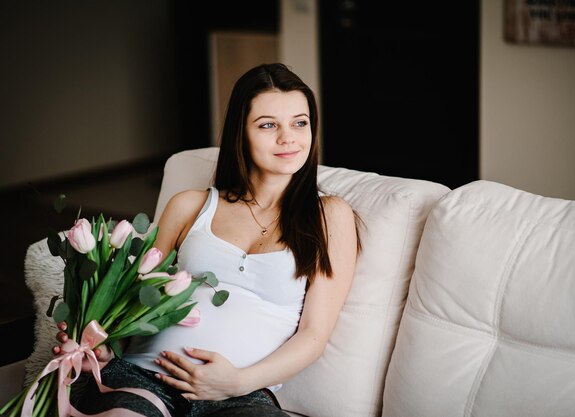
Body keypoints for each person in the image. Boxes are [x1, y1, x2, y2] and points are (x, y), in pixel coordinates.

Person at [54, 62, 360, 416]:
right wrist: (104, 345)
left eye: (300, 122)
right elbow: (134, 296)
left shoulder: (330, 216)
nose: (288, 138)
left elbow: (314, 335)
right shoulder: (190, 205)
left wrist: (237, 382)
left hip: (241, 394)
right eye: (268, 125)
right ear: (240, 133)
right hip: (144, 375)